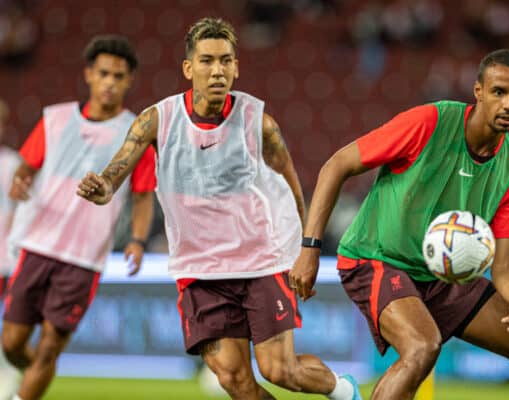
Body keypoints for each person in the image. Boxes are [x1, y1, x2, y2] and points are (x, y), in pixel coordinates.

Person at [77, 17, 361, 400]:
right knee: (236, 382)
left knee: (279, 370)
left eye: (226, 61)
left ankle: (343, 391)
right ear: (188, 68)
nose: (218, 70)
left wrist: (305, 248)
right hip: (199, 270)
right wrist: (104, 187)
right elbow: (117, 169)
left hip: (259, 261)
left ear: (237, 67)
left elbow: (289, 181)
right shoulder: (158, 120)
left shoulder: (258, 123)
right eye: (207, 61)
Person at [290, 49, 509, 400]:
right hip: (375, 259)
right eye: (499, 92)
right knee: (422, 346)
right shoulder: (430, 122)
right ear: (478, 91)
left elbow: (506, 264)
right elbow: (337, 165)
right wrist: (309, 249)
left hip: (443, 276)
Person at [1, 35, 156, 400]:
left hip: (84, 259)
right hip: (37, 245)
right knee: (11, 343)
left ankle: (27, 389)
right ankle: (32, 379)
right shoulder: (54, 119)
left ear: (129, 80)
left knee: (52, 345)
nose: (110, 82)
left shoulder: (136, 136)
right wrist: (21, 183)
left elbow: (143, 195)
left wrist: (137, 239)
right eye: (104, 73)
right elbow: (27, 167)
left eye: (119, 76)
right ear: (89, 74)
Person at [0, 100, 23, 399]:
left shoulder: (12, 164)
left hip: (6, 261)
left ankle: (8, 378)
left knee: (10, 329)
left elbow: (25, 212)